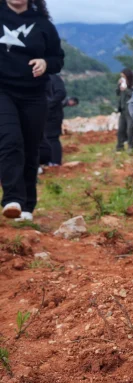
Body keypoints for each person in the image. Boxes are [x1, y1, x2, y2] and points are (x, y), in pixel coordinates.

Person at [0, 0, 64, 221]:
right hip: (2, 91)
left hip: (34, 94)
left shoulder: (43, 24)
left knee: (30, 146)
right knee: (10, 140)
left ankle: (27, 205)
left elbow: (58, 59)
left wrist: (46, 62)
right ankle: (12, 198)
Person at [38, 74, 77, 167]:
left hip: (53, 114)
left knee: (52, 137)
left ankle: (55, 162)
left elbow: (61, 93)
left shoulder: (54, 78)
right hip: (41, 114)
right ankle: (46, 161)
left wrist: (49, 104)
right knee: (43, 137)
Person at [115, 68, 133, 152]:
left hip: (131, 109)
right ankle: (119, 147)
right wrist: (119, 86)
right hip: (123, 109)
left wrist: (126, 89)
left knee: (130, 129)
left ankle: (131, 146)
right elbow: (117, 93)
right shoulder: (122, 84)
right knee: (121, 129)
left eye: (123, 76)